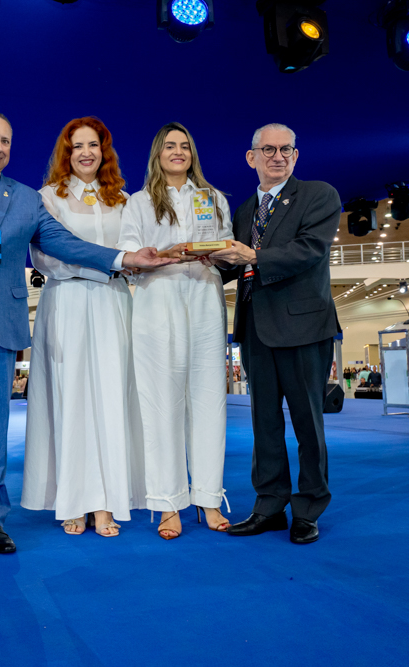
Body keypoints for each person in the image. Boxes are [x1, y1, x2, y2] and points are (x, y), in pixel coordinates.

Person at [0, 110, 174, 559]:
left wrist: (125, 260)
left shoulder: (25, 199)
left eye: (6, 141)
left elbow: (65, 243)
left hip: (1, 324)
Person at [208, 122, 341, 545]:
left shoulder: (319, 194)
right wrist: (194, 257)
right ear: (252, 157)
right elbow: (238, 265)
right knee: (264, 425)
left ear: (296, 156)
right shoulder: (245, 209)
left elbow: (309, 250)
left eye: (286, 149)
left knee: (307, 424)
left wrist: (251, 254)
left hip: (305, 328)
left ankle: (308, 508)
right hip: (256, 332)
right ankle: (269, 505)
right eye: (268, 150)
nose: (277, 156)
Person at [21, 116, 145, 538]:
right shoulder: (45, 198)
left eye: (93, 145)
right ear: (66, 153)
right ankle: (72, 499)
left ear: (104, 151)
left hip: (113, 305)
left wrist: (113, 269)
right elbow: (45, 258)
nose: (86, 153)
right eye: (77, 146)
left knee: (110, 398)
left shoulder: (125, 200)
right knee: (69, 397)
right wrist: (104, 268)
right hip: (67, 302)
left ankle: (107, 503)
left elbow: (132, 253)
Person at [118, 122, 233, 540]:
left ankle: (207, 497)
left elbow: (226, 251)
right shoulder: (140, 201)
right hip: (158, 299)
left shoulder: (213, 198)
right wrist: (163, 254)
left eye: (185, 146)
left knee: (207, 400)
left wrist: (221, 254)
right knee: (161, 403)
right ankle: (167, 504)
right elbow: (130, 256)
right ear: (158, 153)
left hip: (204, 295)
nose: (178, 152)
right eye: (170, 146)